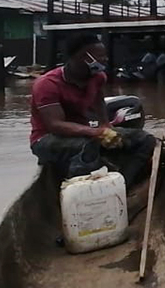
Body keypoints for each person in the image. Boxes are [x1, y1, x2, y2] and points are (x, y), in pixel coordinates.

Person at [29, 33, 157, 191]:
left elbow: (98, 100)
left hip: (85, 134)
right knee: (88, 146)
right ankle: (77, 191)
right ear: (84, 57)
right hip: (46, 139)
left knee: (145, 140)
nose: (105, 59)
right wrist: (95, 132)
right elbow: (55, 125)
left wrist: (105, 124)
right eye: (101, 56)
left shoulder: (97, 77)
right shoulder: (47, 84)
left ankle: (123, 184)